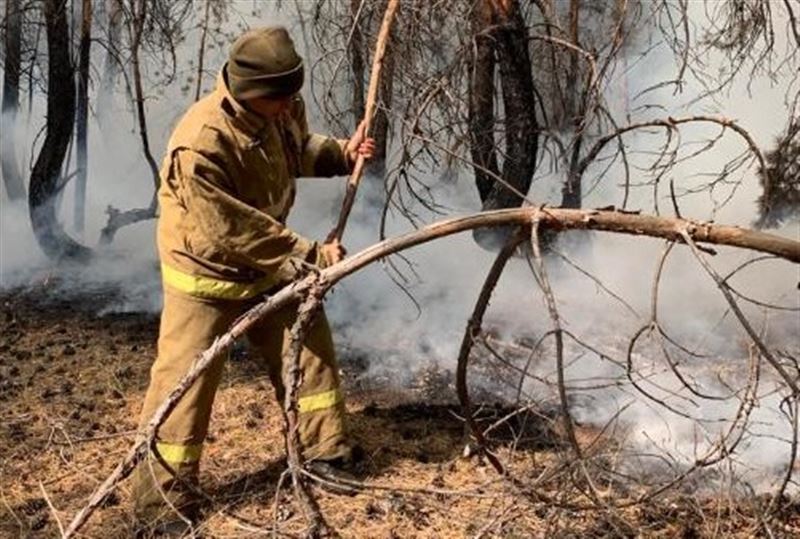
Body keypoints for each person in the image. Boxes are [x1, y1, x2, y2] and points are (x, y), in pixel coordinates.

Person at [132, 26, 375, 534]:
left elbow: (294, 151)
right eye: (280, 99)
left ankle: (323, 453)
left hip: (267, 266)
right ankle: (162, 505)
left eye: (293, 97)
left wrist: (341, 155)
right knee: (184, 388)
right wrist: (309, 255)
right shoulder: (201, 145)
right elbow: (232, 229)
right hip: (208, 275)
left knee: (308, 349)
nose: (290, 107)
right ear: (251, 94)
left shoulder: (281, 106)